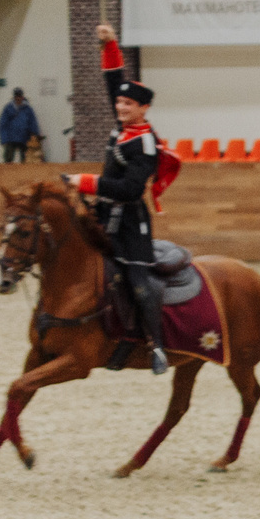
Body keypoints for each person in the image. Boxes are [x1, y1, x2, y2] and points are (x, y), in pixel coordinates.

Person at [70, 79, 181, 374]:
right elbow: (112, 80)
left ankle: (155, 345)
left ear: (144, 108)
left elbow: (131, 189)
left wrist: (84, 182)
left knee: (137, 279)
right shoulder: (122, 127)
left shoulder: (144, 143)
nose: (120, 107)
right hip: (105, 213)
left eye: (128, 104)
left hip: (131, 222)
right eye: (119, 102)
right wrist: (107, 44)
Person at [0, 88, 41, 163]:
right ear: (14, 97)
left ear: (22, 97)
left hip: (24, 137)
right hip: (10, 137)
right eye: (16, 96)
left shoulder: (28, 109)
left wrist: (35, 134)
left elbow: (33, 122)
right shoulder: (8, 108)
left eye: (19, 96)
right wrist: (4, 138)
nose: (18, 98)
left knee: (25, 160)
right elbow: (2, 124)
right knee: (8, 160)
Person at [95, 22, 126, 110]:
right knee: (113, 101)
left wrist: (104, 28)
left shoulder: (111, 39)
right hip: (109, 72)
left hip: (114, 72)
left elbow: (108, 33)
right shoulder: (105, 44)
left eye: (102, 32)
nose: (99, 34)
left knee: (117, 99)